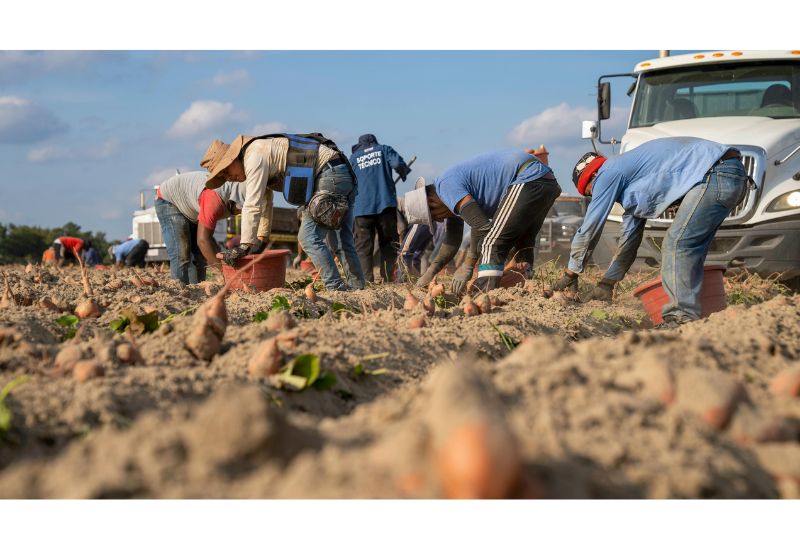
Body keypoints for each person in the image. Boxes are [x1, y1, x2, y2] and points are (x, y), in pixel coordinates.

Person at [553, 136, 748, 328]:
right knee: (690, 247)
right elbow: (629, 240)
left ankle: (680, 318)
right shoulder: (633, 181)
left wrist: (571, 272)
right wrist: (607, 283)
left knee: (677, 243)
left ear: (593, 177)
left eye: (591, 193)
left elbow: (590, 228)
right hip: (730, 175)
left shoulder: (607, 172)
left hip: (715, 173)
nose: (597, 197)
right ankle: (701, 314)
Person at [200, 133, 364, 291]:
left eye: (227, 171)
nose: (229, 178)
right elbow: (265, 202)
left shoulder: (254, 155)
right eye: (224, 177)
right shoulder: (260, 154)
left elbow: (252, 203)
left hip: (329, 176)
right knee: (341, 240)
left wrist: (243, 246)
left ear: (234, 157)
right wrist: (261, 239)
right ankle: (358, 288)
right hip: (341, 172)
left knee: (308, 237)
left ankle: (336, 288)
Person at [405, 146, 559, 294]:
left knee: (491, 244)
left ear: (431, 202)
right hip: (545, 180)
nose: (439, 222)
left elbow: (481, 226)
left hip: (527, 178)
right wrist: (431, 272)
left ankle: (485, 294)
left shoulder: (446, 187)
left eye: (434, 218)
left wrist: (467, 266)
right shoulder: (448, 197)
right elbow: (452, 239)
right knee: (522, 243)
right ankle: (525, 290)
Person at [155, 171, 244, 284]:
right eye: (239, 210)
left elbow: (209, 239)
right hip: (169, 201)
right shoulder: (215, 200)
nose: (239, 213)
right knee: (181, 253)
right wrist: (224, 271)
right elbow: (203, 241)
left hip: (190, 206)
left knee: (200, 256)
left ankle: (196, 290)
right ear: (232, 202)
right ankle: (179, 291)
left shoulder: (235, 195)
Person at [349, 134, 411, 283]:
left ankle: (366, 280)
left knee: (363, 246)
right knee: (388, 243)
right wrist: (403, 173)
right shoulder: (384, 150)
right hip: (385, 205)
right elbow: (397, 164)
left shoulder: (353, 158)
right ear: (374, 143)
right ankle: (388, 278)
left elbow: (347, 180)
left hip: (362, 208)